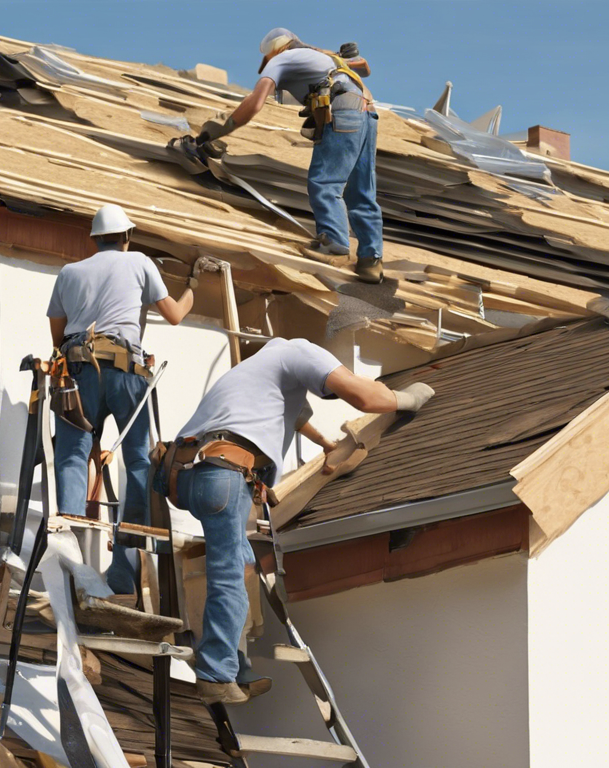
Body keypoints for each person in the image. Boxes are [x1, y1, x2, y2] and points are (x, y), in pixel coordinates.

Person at [161, 338, 434, 704]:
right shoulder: (300, 350)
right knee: (228, 573)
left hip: (190, 475)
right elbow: (365, 397)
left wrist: (326, 443)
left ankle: (235, 666)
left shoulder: (255, 374)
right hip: (224, 476)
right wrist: (409, 398)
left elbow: (298, 415)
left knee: (239, 564)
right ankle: (215, 674)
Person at [47, 204, 199, 596]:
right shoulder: (139, 263)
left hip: (78, 370)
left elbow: (57, 337)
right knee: (136, 462)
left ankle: (72, 563)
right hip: (127, 372)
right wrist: (192, 290)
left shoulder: (70, 272)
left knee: (71, 458)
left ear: (95, 239)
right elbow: (176, 315)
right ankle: (123, 568)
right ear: (127, 237)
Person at [191, 28, 385, 285]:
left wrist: (217, 130)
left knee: (325, 182)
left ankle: (335, 242)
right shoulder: (323, 58)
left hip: (344, 113)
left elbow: (256, 101)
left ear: (275, 51)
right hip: (368, 116)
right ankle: (371, 261)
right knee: (360, 191)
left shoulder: (281, 59)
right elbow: (365, 68)